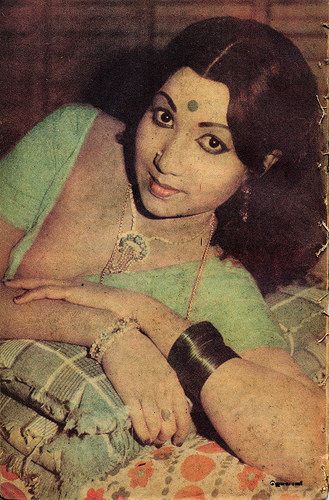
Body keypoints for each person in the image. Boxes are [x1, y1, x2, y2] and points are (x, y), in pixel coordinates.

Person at [0, 16, 325, 487]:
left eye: (212, 142)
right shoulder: (69, 139)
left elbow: (311, 450)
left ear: (261, 164)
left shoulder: (221, 285)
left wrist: (151, 315)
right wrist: (108, 332)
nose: (167, 160)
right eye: (164, 116)